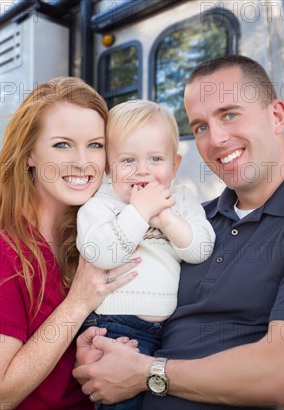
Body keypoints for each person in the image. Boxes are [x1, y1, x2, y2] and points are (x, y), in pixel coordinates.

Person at [73, 55, 284, 409]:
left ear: (276, 115)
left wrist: (145, 373)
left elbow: (282, 379)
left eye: (229, 114)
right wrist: (100, 347)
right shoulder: (196, 219)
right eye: (200, 126)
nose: (216, 138)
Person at [0, 77, 141, 409]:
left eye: (95, 144)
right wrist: (78, 304)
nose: (82, 161)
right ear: (29, 153)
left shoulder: (93, 236)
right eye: (62, 144)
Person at [76, 100, 216, 409]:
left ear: (174, 165)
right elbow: (101, 253)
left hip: (170, 330)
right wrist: (139, 212)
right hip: (114, 328)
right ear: (109, 167)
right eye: (127, 160)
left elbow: (202, 249)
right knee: (120, 402)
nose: (142, 170)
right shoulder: (101, 203)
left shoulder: (179, 198)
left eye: (155, 158)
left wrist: (166, 219)